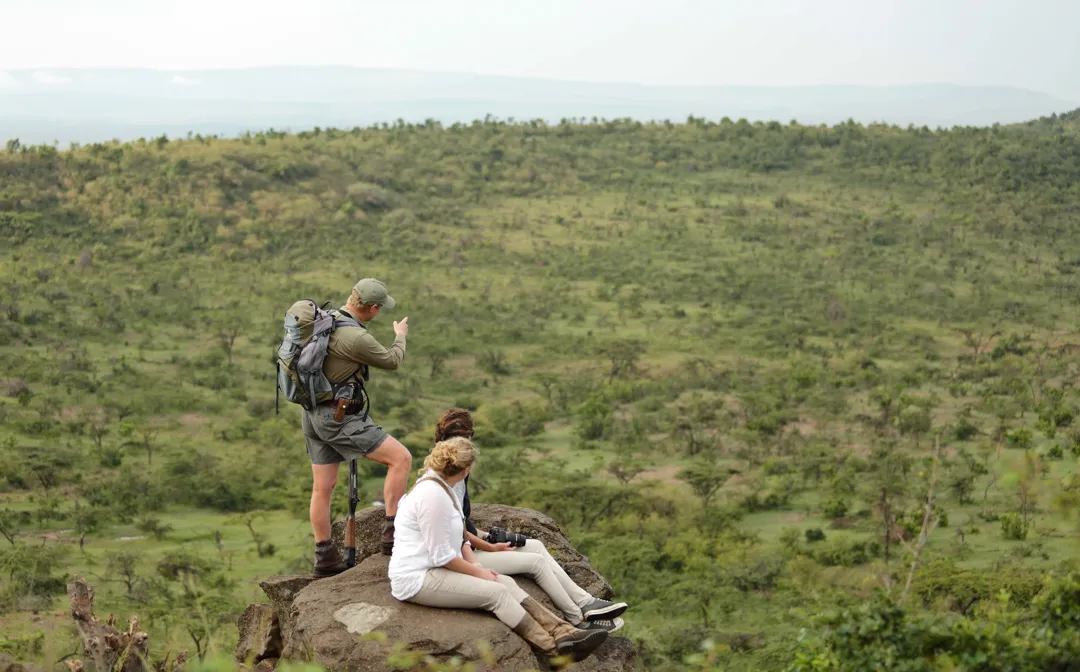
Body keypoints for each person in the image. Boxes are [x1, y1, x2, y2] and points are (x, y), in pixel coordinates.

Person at [388, 437, 608, 662]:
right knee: (497, 594)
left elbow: (460, 536)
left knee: (506, 582)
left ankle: (565, 632)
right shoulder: (432, 496)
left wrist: (475, 563)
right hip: (417, 577)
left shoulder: (442, 488)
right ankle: (552, 650)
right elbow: (441, 555)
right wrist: (478, 572)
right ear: (465, 470)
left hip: (435, 567)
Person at [434, 408, 629, 632]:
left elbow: (461, 523)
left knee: (535, 545)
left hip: (467, 547)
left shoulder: (451, 472)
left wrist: (489, 536)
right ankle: (578, 620)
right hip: (462, 558)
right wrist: (489, 546)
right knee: (536, 563)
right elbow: (457, 535)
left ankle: (586, 602)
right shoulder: (449, 479)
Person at [303, 278, 413, 577]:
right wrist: (399, 335)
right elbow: (391, 361)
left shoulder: (324, 320)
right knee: (401, 458)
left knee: (322, 488)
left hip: (312, 412)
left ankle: (324, 558)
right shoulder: (356, 338)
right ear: (374, 308)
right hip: (337, 417)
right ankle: (393, 536)